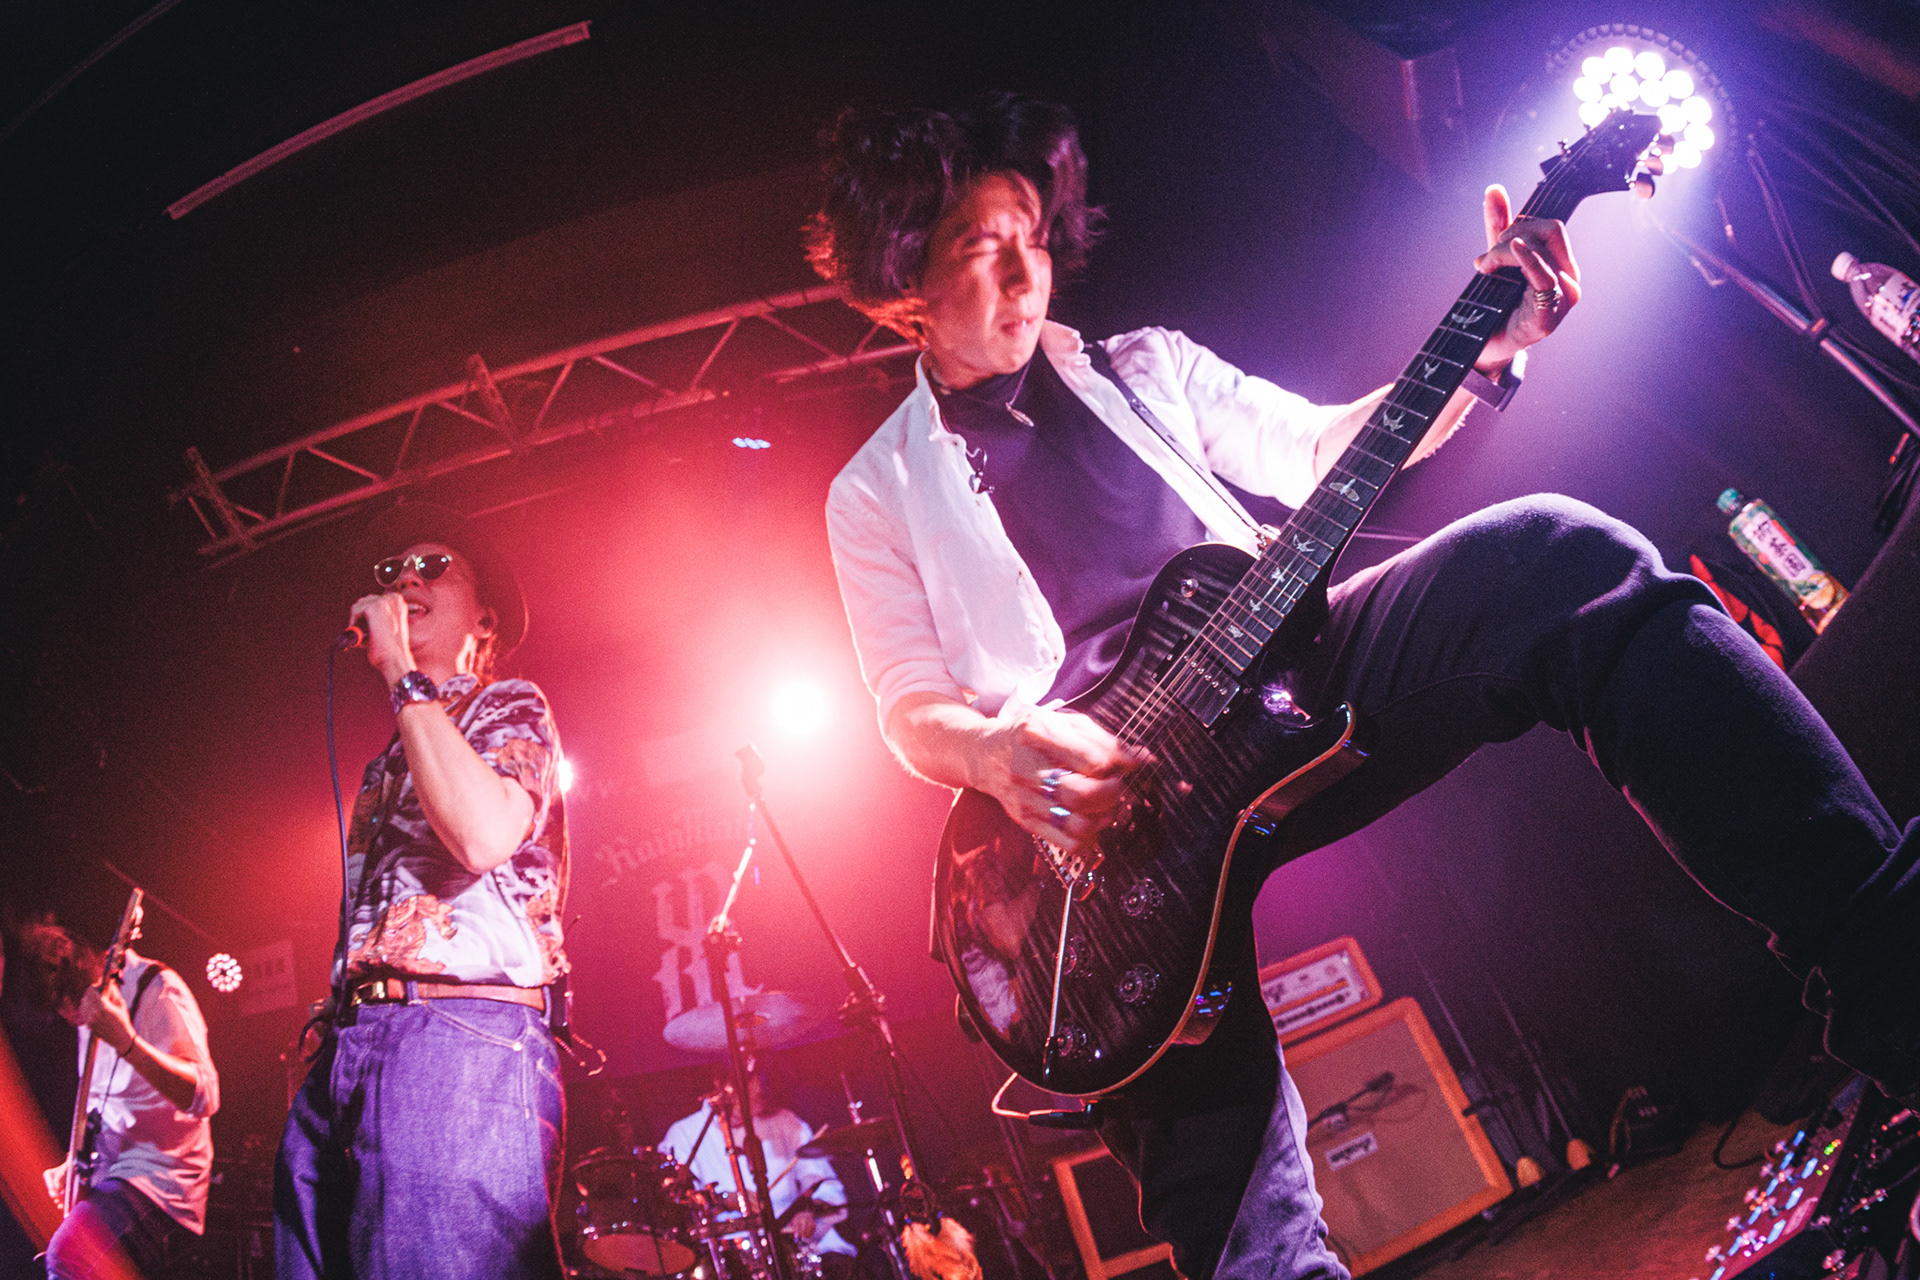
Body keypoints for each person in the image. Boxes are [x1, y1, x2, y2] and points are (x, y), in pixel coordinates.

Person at [808, 94, 1919, 1280]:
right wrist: (995, 754)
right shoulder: (874, 490)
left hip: (1283, 661)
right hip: (1102, 835)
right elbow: (907, 702)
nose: (1026, 271)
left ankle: (1902, 985)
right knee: (1243, 1224)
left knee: (1558, 558)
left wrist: (1482, 351)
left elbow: (1316, 451)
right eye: (982, 245)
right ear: (902, 279)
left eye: (1032, 234)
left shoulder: (1143, 365)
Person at [274, 504, 571, 1280]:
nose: (406, 580)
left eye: (433, 568)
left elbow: (482, 835)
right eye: (392, 572)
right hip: (353, 1049)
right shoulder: (383, 766)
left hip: (460, 1036)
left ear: (484, 620)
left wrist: (401, 674)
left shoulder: (509, 706)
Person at [31, 924, 219, 1280]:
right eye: (57, 1008)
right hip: (113, 1178)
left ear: (69, 952)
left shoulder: (157, 987)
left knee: (69, 1257)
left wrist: (127, 1042)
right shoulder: (87, 1006)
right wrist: (72, 1162)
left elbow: (206, 1096)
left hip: (162, 1186)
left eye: (63, 998)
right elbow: (104, 1104)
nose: (67, 1013)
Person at [661, 1071, 859, 1274]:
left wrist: (809, 1210)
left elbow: (824, 1185)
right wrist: (726, 1199)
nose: (746, 1107)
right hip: (731, 1260)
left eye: (756, 1099)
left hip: (800, 1248)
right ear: (719, 1085)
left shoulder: (785, 1122)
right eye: (738, 1097)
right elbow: (677, 1204)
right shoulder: (683, 1134)